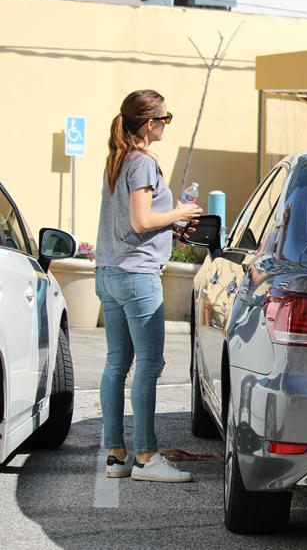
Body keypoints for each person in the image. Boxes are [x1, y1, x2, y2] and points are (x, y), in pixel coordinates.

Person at [95, 89, 202, 482]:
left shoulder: (118, 160)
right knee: (149, 364)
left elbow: (132, 224)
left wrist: (171, 226)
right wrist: (181, 211)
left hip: (108, 273)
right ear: (151, 122)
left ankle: (116, 455)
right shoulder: (141, 163)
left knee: (116, 365)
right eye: (165, 118)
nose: (166, 124)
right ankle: (145, 456)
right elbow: (141, 222)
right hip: (137, 276)